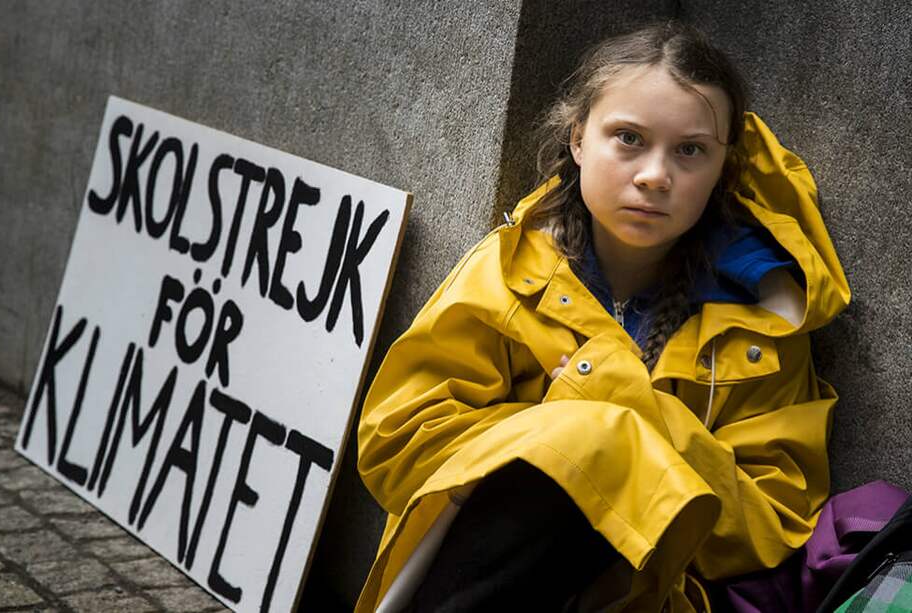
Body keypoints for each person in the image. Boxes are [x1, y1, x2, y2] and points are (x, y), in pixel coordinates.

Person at [354, 21, 851, 612]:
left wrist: (616, 405)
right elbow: (396, 442)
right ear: (578, 140)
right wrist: (575, 437)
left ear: (723, 166)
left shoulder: (762, 319)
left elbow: (772, 522)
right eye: (629, 139)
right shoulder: (513, 270)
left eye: (690, 150)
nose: (654, 176)